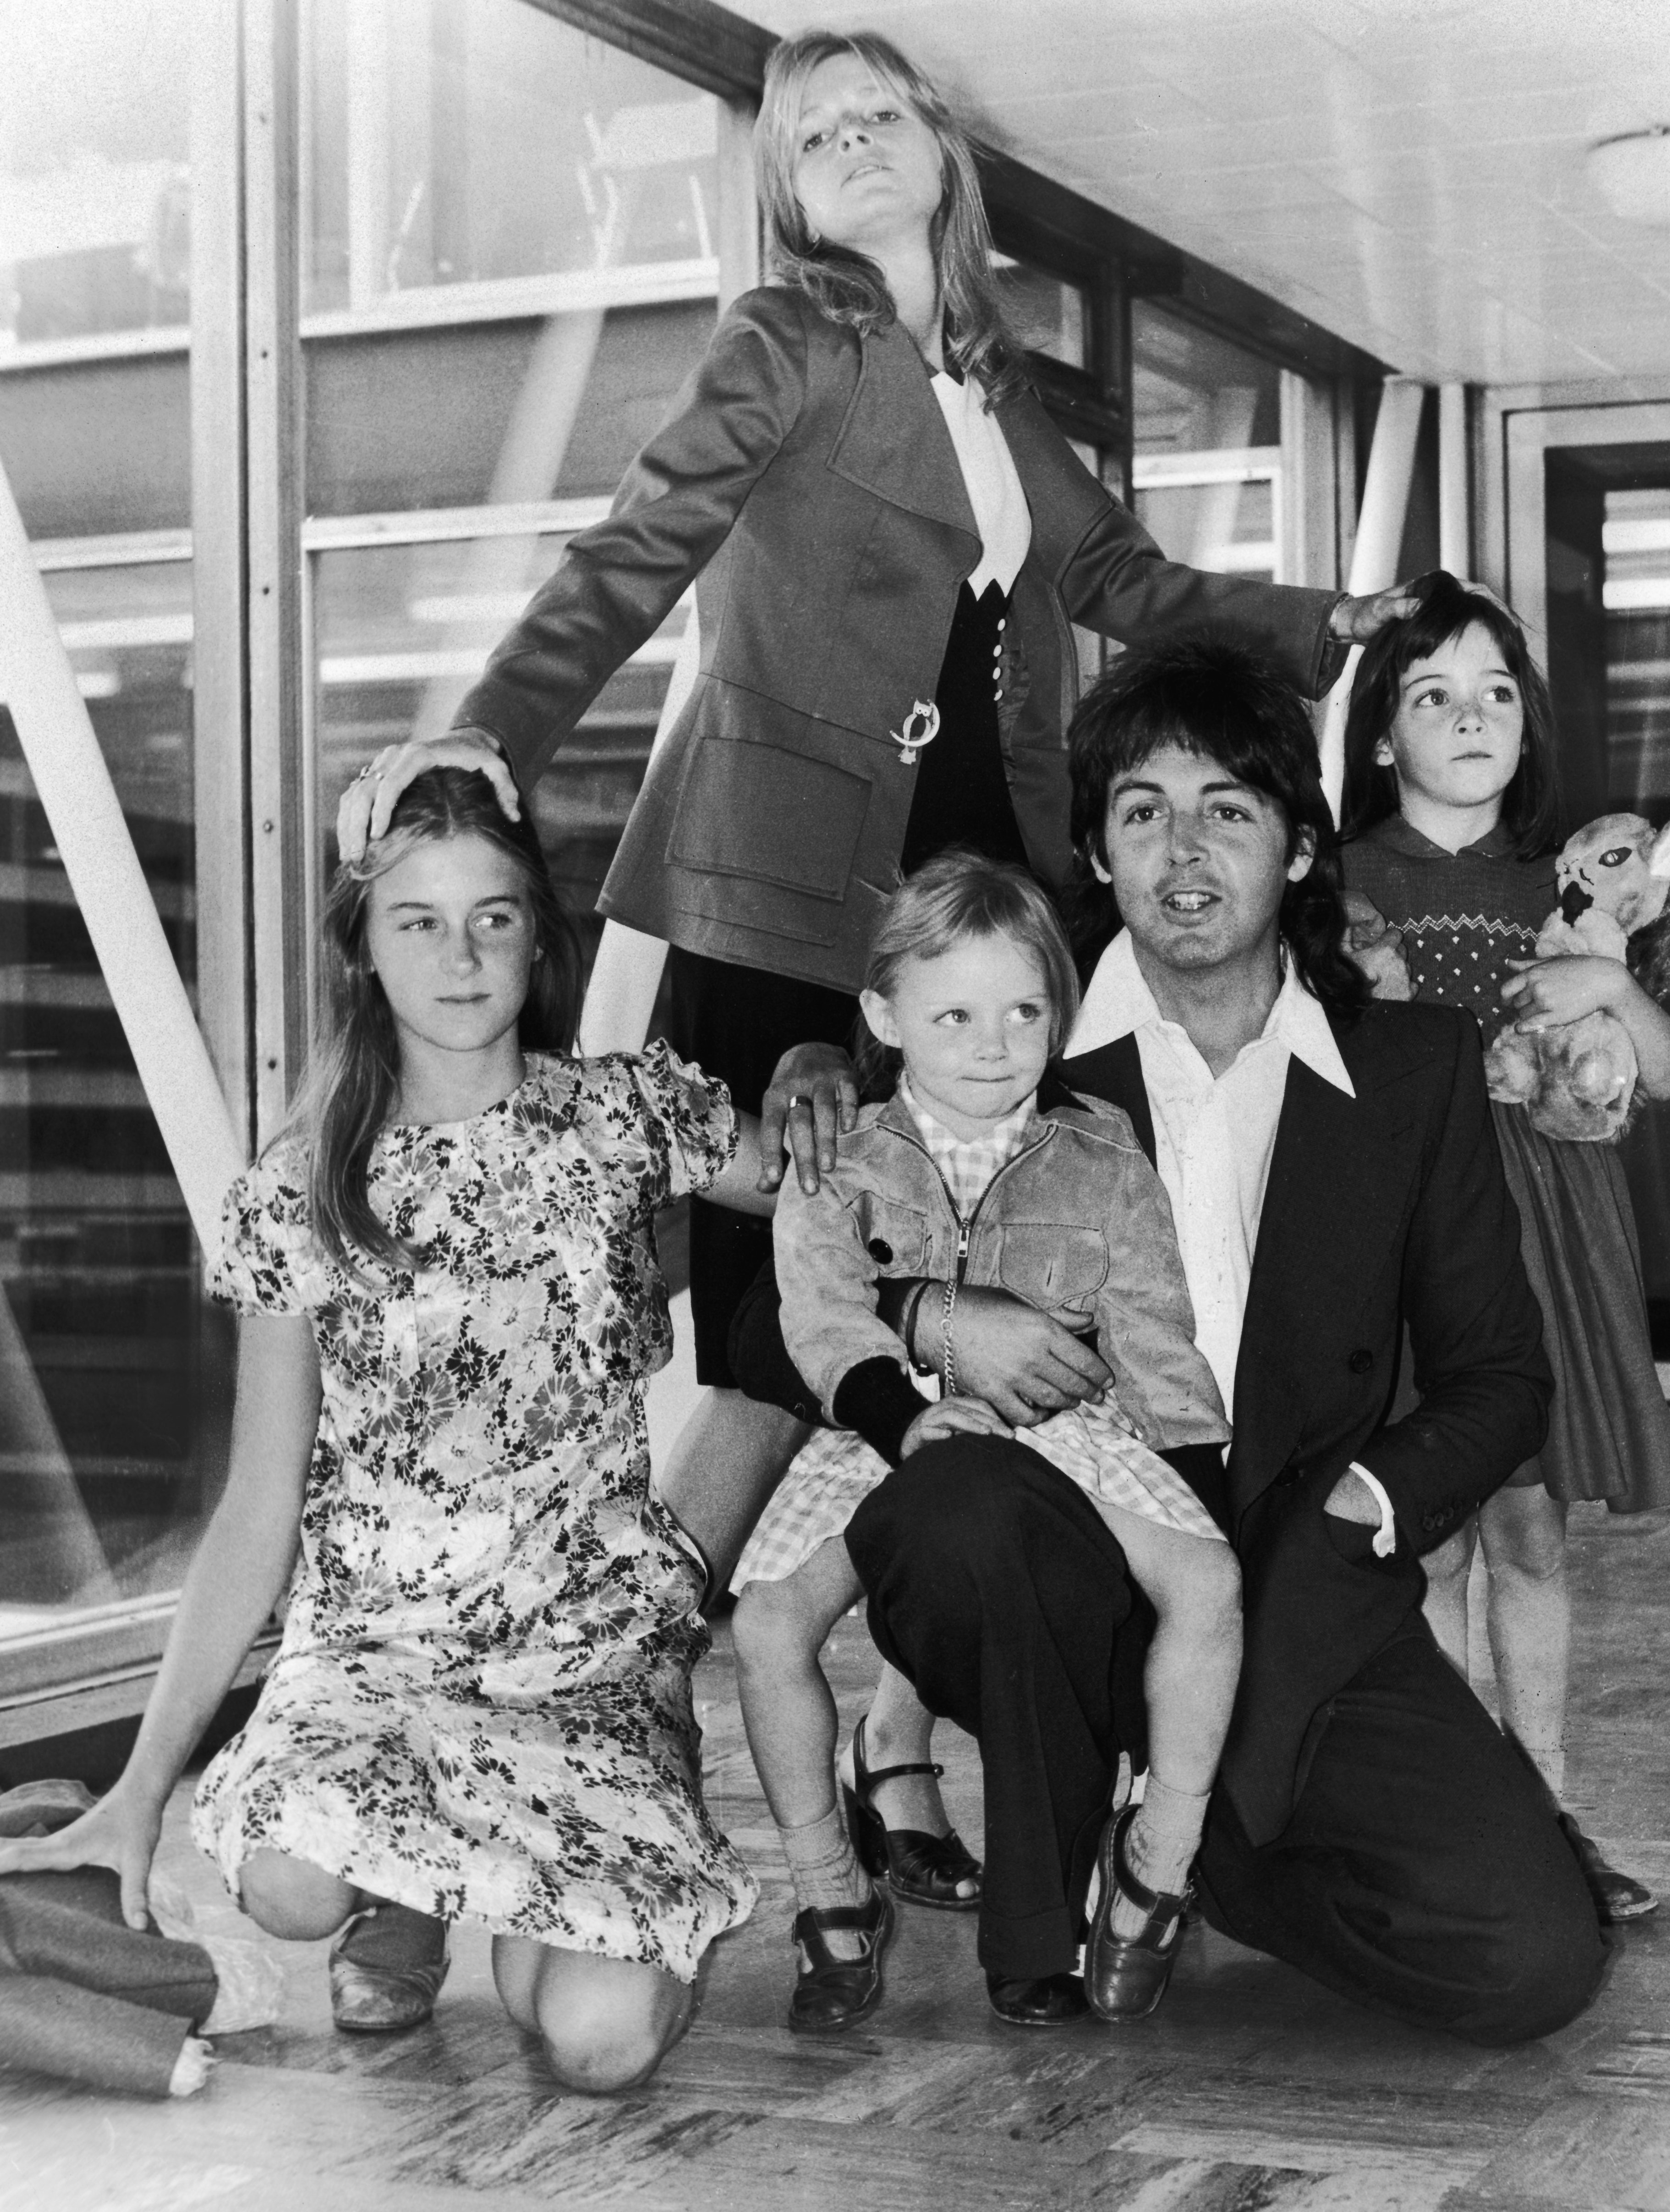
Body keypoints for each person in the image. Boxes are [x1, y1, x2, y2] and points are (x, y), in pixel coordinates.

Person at [333, 28, 1417, 1629]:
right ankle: (630, 1654)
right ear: (783, 184)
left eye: (877, 113)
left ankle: (892, 1747)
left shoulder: (989, 379)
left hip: (977, 888)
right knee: (790, 1334)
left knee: (968, 1283)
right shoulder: (786, 335)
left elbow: (1121, 584)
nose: (849, 138)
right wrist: (493, 724)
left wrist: (1331, 620)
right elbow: (643, 543)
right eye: (812, 129)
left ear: (936, 149)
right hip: (785, 886)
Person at [743, 639, 1606, 2041]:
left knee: (1523, 1961)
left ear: (1304, 848)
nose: (1183, 848)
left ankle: (1198, 1849)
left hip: (1305, 1579)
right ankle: (1068, 1836)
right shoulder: (1008, 1042)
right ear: (1096, 848)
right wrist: (932, 1310)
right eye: (1141, 810)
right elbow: (780, 1296)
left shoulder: (1412, 1072)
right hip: (1052, 1569)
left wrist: (1359, 1510)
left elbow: (1499, 1378)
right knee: (962, 1502)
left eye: (1229, 808)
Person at [0, 770, 769, 2095]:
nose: (461, 955)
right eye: (416, 921)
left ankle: (568, 1848)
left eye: (494, 917)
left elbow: (844, 1179)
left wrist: (824, 1075)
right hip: (383, 1660)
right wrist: (138, 1789)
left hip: (577, 1661)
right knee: (289, 1885)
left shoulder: (622, 1119)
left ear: (539, 935)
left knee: (594, 2047)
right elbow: (256, 1509)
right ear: (360, 943)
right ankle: (410, 1890)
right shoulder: (301, 1188)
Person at [730, 851, 1237, 2031]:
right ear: (883, 1016)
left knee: (1208, 1583)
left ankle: (1155, 1864)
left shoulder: (1100, 1152)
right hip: (881, 1426)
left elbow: (1153, 1333)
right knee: (763, 1624)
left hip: (1067, 1428)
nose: (994, 1042)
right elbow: (819, 1316)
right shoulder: (838, 1154)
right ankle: (824, 1889)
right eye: (952, 1012)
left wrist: (1193, 1477)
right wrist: (905, 1420)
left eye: (1024, 1010)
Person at [1341, 573, 1670, 1922]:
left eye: (1495, 693)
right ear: (1381, 734)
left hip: (1551, 1241)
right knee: (1422, 1541)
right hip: (1418, 1244)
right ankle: (1455, 1814)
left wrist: (1608, 983)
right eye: (1432, 695)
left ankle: (1545, 1808)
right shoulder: (1346, 877)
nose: (1469, 717)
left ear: (1528, 724)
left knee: (1530, 1527)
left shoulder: (1573, 886)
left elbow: (1660, 1077)